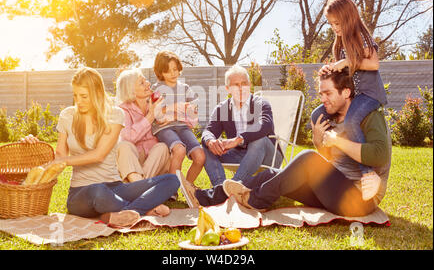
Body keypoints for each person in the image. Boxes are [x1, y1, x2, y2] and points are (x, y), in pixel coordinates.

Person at [184, 69, 391, 217]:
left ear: (346, 92)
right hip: (332, 194)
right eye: (320, 93)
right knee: (268, 174)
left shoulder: (369, 116)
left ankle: (256, 200)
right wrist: (320, 142)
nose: (322, 99)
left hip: (359, 200)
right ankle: (206, 197)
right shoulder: (328, 117)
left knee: (307, 158)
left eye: (328, 93)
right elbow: (332, 165)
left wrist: (337, 141)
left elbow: (379, 155)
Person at [21, 67, 180, 228]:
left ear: (97, 93)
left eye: (84, 96)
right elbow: (60, 156)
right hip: (82, 193)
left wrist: (65, 161)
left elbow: (99, 155)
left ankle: (122, 213)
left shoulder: (115, 114)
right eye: (75, 96)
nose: (78, 101)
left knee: (171, 180)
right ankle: (144, 209)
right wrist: (34, 145)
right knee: (98, 191)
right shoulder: (67, 115)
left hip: (115, 187)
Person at [311, 0, 387, 201]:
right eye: (331, 24)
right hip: (355, 94)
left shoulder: (360, 35)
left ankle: (367, 173)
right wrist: (331, 69)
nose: (334, 27)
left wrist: (345, 61)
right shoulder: (340, 42)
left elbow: (373, 64)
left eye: (337, 23)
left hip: (370, 95)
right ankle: (329, 164)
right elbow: (343, 75)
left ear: (348, 18)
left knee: (352, 119)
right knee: (317, 113)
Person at [177, 65, 284, 208]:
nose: (241, 88)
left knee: (258, 140)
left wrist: (237, 139)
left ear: (250, 85)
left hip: (268, 153)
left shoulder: (261, 103)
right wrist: (210, 141)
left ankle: (224, 192)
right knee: (207, 146)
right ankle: (222, 189)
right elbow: (208, 131)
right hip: (239, 155)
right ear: (227, 89)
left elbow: (265, 126)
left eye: (244, 83)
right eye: (236, 85)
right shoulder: (222, 108)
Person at [151, 51, 205, 185]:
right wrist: (178, 107)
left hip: (182, 126)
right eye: (168, 71)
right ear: (160, 72)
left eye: (175, 69)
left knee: (200, 156)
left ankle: (187, 187)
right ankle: (172, 188)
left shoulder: (185, 88)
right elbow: (158, 116)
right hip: (164, 128)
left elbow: (194, 110)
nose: (173, 74)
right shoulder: (156, 89)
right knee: (179, 150)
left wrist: (173, 112)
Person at [116, 68, 171, 183]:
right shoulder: (122, 110)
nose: (148, 84)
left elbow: (167, 123)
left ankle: (135, 186)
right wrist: (150, 116)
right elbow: (129, 137)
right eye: (142, 83)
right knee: (124, 146)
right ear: (131, 91)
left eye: (145, 80)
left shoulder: (155, 104)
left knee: (162, 147)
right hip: (133, 161)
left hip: (154, 161)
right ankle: (143, 189)